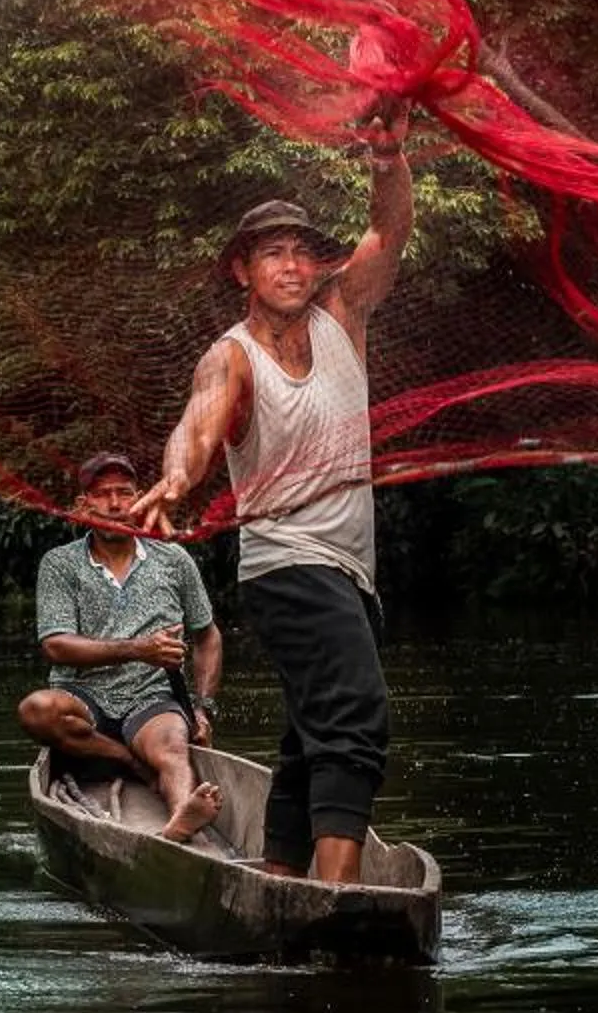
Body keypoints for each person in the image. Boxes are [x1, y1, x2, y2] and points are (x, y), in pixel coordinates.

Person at [129, 98, 412, 883]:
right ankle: (337, 893)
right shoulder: (234, 355)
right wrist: (178, 477)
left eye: (299, 253)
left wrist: (388, 159)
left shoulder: (342, 316)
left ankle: (281, 880)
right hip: (289, 566)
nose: (291, 266)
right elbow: (199, 422)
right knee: (357, 713)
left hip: (351, 572)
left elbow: (388, 233)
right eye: (272, 254)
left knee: (308, 735)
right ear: (242, 270)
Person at [18, 451, 225, 843]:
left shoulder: (173, 559)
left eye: (124, 493)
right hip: (83, 696)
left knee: (173, 748)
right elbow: (57, 646)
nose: (114, 504)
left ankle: (182, 817)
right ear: (83, 504)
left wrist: (202, 706)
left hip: (150, 696)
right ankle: (131, 762)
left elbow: (208, 635)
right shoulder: (60, 564)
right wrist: (138, 649)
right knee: (37, 710)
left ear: (140, 498)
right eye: (102, 494)